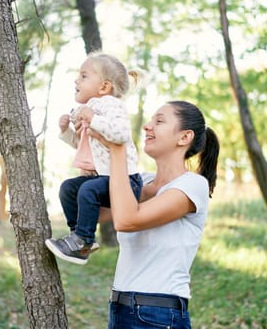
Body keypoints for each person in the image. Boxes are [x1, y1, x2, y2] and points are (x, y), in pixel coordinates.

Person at [87, 100, 219, 328]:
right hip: (120, 308)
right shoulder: (143, 182)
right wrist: (93, 145)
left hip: (157, 314)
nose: (147, 126)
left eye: (159, 121)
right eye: (150, 121)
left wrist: (118, 148)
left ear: (184, 137)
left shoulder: (193, 185)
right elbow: (95, 212)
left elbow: (127, 220)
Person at [45, 52, 143, 265]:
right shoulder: (91, 109)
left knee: (87, 190)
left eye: (84, 76)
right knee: (69, 188)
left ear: (104, 87)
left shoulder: (111, 105)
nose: (76, 80)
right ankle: (79, 236)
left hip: (126, 181)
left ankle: (83, 241)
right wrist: (65, 131)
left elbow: (121, 135)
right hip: (105, 179)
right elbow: (86, 146)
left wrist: (93, 118)